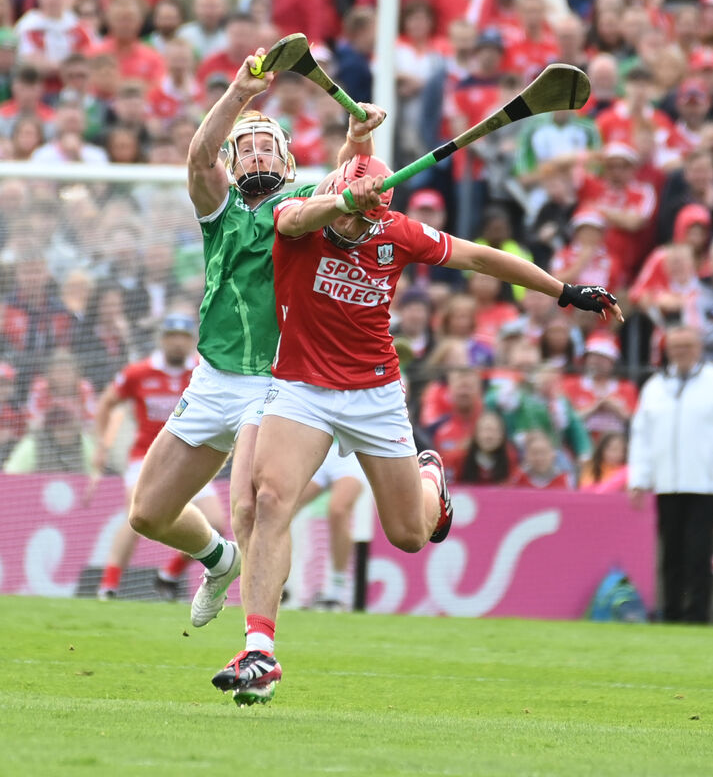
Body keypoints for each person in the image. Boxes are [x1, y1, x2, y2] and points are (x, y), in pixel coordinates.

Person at [210, 154, 624, 706]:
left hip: (374, 394)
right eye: (353, 214)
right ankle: (259, 650)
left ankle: (431, 481)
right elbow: (296, 222)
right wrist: (344, 203)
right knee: (269, 501)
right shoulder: (296, 211)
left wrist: (564, 290)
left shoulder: (396, 230)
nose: (358, 228)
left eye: (368, 218)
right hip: (301, 387)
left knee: (409, 534)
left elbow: (479, 257)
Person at [126, 48, 385, 633]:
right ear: (234, 165)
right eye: (245, 148)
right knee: (148, 513)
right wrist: (241, 92)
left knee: (249, 506)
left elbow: (348, 188)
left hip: (275, 382)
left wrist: (359, 142)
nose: (257, 152)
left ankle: (256, 645)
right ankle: (220, 562)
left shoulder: (300, 202)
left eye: (269, 145)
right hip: (213, 378)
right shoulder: (220, 210)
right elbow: (198, 156)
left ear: (289, 162)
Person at [94, 314, 226, 600]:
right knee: (135, 516)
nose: (178, 343)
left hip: (191, 457)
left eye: (184, 337)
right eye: (171, 336)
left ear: (193, 341)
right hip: (145, 456)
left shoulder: (204, 371)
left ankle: (169, 575)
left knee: (216, 522)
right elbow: (106, 402)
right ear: (162, 339)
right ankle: (108, 587)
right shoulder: (138, 372)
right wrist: (102, 447)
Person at [628, 325, 713, 623]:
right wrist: (639, 478)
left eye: (687, 346)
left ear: (698, 348)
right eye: (676, 347)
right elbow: (642, 435)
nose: (681, 352)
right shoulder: (655, 387)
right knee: (671, 553)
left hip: (705, 484)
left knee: (698, 554)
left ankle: (698, 614)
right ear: (667, 350)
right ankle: (672, 613)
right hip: (667, 483)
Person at [297, 441, 367, 611]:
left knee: (338, 510)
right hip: (317, 447)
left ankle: (336, 592)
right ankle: (276, 583)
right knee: (281, 508)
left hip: (351, 451)